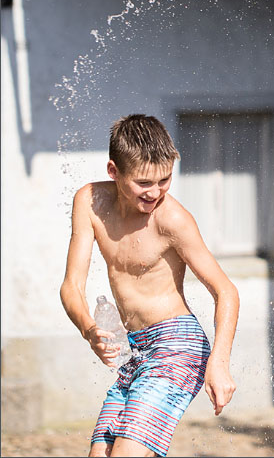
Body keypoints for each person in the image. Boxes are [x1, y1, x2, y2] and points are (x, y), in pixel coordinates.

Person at [59, 114, 240, 457]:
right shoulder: (90, 202)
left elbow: (226, 291)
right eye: (144, 183)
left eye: (165, 180)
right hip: (134, 351)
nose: (155, 192)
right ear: (114, 171)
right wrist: (88, 329)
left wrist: (219, 362)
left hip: (178, 346)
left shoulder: (172, 220)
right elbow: (71, 286)